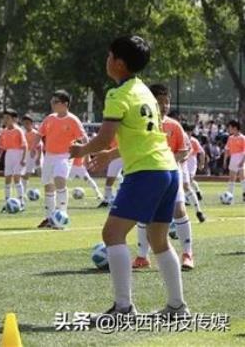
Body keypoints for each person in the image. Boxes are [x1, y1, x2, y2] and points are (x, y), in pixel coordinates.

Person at [70, 35, 189, 320]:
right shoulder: (145, 91)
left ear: (119, 63)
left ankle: (123, 308)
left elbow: (104, 137)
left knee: (112, 234)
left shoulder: (117, 95)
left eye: (109, 56)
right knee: (158, 239)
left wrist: (82, 149)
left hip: (146, 172)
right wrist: (111, 156)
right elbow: (145, 136)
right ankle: (177, 307)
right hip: (168, 170)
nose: (107, 60)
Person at [134, 84, 202, 271]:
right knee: (143, 214)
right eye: (160, 101)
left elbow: (185, 150)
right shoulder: (142, 123)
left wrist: (170, 159)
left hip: (171, 174)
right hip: (148, 174)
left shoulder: (174, 125)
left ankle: (187, 254)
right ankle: (142, 256)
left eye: (167, 101)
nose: (165, 105)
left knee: (179, 211)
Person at [37, 91, 87, 228]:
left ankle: (62, 214)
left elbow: (83, 138)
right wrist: (33, 147)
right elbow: (40, 133)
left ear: (65, 104)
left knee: (59, 179)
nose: (52, 104)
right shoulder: (49, 118)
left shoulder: (73, 120)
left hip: (65, 155)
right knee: (48, 185)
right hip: (49, 155)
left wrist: (86, 153)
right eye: (52, 102)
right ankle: (49, 217)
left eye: (55, 102)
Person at [0, 109, 26, 209]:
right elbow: (1, 147)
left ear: (14, 119)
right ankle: (7, 201)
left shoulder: (18, 130)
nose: (5, 120)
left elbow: (25, 146)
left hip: (18, 154)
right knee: (7, 178)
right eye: (4, 118)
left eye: (8, 118)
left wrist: (24, 158)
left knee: (16, 178)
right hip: (9, 155)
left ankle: (21, 201)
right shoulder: (3, 132)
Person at [223, 120, 245, 201]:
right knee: (232, 178)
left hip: (241, 157)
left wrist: (242, 161)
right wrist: (225, 160)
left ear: (235, 128)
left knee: (242, 177)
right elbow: (227, 149)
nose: (229, 129)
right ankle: (230, 195)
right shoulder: (230, 138)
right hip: (233, 158)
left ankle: (244, 194)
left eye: (230, 127)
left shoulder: (243, 138)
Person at [98, 137, 123, 208]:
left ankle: (120, 199)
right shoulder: (111, 130)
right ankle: (106, 200)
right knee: (109, 180)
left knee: (129, 177)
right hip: (114, 155)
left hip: (127, 154)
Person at [21, 115, 41, 201]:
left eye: (28, 123)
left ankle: (51, 192)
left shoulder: (35, 133)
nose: (26, 125)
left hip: (36, 154)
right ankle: (23, 193)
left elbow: (40, 146)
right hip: (29, 155)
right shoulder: (23, 133)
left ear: (31, 124)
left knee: (43, 174)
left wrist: (39, 158)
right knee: (26, 175)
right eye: (25, 123)